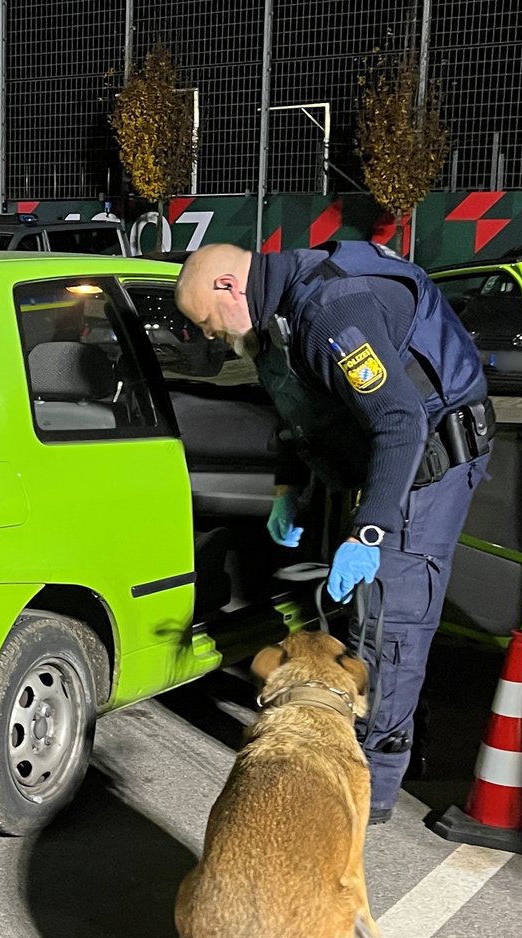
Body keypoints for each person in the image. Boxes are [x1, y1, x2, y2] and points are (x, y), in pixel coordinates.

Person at [177, 240, 495, 825]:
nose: (212, 337)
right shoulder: (275, 313)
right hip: (376, 450)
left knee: (391, 618)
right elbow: (300, 408)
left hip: (427, 458)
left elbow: (401, 422)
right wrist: (285, 488)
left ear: (227, 287)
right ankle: (391, 733)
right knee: (368, 617)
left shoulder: (330, 310)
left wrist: (369, 530)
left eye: (207, 323)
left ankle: (369, 790)